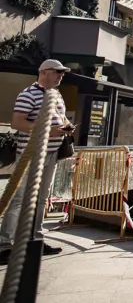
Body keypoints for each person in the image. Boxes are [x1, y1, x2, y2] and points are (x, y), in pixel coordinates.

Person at [0, 59, 75, 264]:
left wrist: (67, 126)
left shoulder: (56, 95)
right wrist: (47, 131)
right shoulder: (28, 94)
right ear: (44, 72)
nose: (61, 75)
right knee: (19, 200)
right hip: (30, 155)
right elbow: (17, 122)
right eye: (57, 72)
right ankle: (5, 245)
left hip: (51, 154)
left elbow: (62, 117)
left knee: (42, 199)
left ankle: (35, 241)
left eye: (62, 72)